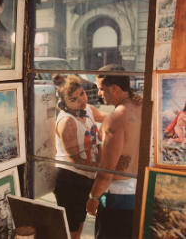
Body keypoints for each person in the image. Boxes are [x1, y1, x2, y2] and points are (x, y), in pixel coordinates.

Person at [86, 64, 143, 239]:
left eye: (102, 89)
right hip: (139, 191)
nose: (99, 94)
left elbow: (107, 171)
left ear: (116, 89)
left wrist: (93, 197)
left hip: (116, 198)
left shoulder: (115, 119)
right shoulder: (141, 106)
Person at [53, 74, 107, 239]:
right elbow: (75, 161)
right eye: (74, 99)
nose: (82, 101)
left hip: (86, 176)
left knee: (81, 222)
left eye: (82, 94)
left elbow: (110, 118)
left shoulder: (88, 109)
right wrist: (105, 167)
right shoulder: (66, 122)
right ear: (63, 103)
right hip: (70, 179)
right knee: (72, 230)